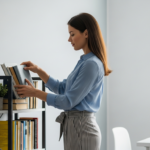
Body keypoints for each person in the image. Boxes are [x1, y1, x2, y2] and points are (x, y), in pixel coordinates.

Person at [14, 12, 112, 150]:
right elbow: (62, 88)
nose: (69, 39)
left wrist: (35, 93)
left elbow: (67, 101)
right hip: (75, 127)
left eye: (72, 34)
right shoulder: (84, 62)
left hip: (81, 129)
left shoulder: (91, 64)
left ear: (86, 33)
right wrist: (39, 71)